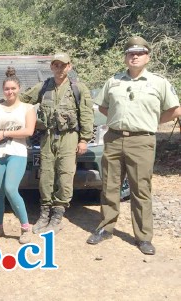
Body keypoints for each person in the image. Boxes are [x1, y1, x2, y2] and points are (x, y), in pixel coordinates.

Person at [86, 36, 181, 255]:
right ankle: (106, 228)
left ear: (147, 57)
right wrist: (117, 120)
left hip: (142, 140)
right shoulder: (114, 81)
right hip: (114, 138)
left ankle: (143, 237)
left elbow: (175, 109)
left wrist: (152, 121)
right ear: (125, 57)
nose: (134, 57)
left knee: (141, 189)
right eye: (130, 53)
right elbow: (103, 107)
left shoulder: (159, 82)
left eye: (139, 53)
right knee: (110, 186)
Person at [20, 52, 94, 234]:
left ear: (70, 66)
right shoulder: (43, 87)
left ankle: (57, 216)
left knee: (65, 176)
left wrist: (84, 139)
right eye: (56, 65)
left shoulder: (78, 88)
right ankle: (44, 213)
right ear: (51, 67)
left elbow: (86, 114)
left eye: (63, 65)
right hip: (47, 136)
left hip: (69, 137)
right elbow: (22, 101)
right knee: (46, 175)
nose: (59, 69)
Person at [0, 68, 36, 244]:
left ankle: (25, 227)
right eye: (7, 89)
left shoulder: (27, 108)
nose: (10, 92)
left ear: (19, 88)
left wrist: (6, 133)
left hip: (18, 153)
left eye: (13, 88)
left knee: (10, 189)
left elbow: (28, 131)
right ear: (3, 90)